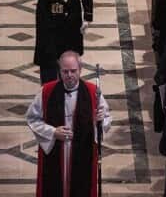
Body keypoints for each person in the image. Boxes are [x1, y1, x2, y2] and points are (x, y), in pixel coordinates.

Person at [26, 51, 111, 197]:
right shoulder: (47, 91)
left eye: (73, 71)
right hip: (56, 152)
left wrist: (100, 120)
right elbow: (32, 118)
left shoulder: (92, 92)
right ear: (59, 71)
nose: (69, 75)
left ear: (80, 70)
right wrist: (53, 132)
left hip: (82, 152)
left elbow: (106, 119)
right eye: (65, 71)